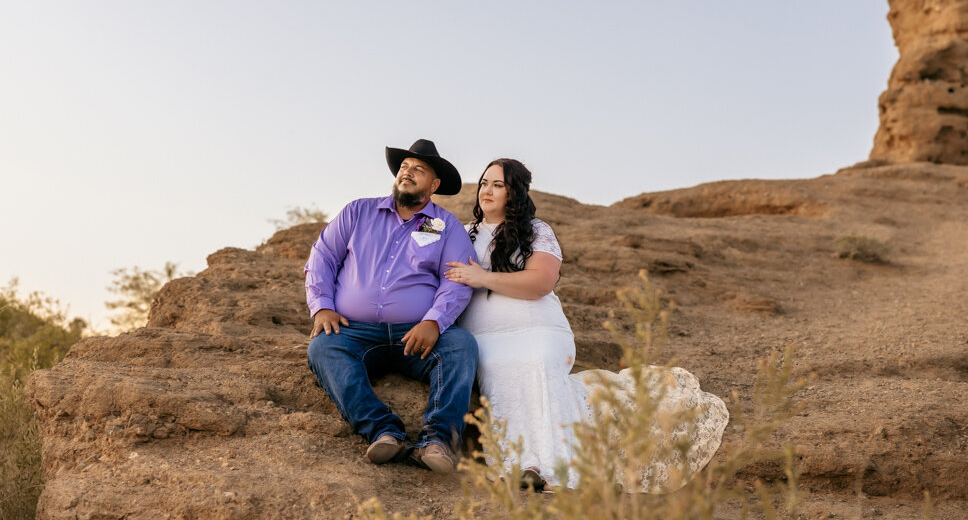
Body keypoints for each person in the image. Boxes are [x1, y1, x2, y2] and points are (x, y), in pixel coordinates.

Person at [445, 158, 728, 491]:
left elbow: (541, 282)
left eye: (498, 185)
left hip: (540, 331)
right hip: (488, 337)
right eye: (483, 183)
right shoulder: (463, 234)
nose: (487, 191)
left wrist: (482, 277)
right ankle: (518, 460)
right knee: (500, 369)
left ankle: (544, 467)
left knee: (535, 363)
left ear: (514, 193)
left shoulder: (536, 230)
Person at [305, 139, 478, 474]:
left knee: (462, 345)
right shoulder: (358, 212)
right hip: (355, 332)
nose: (407, 173)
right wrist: (322, 306)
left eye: (419, 169)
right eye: (404, 167)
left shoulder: (444, 225)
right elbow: (323, 256)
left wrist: (435, 321)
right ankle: (385, 432)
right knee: (322, 348)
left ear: (435, 184)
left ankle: (437, 441)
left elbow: (456, 279)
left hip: (416, 335)